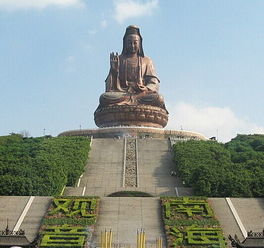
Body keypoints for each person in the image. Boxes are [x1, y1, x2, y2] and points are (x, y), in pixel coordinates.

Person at [99, 25, 167, 112]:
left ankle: (130, 105)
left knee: (158, 98)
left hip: (141, 95)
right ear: (125, 44)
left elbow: (154, 82)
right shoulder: (119, 60)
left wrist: (146, 88)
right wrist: (113, 71)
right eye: (129, 43)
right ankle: (129, 104)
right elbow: (109, 88)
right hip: (123, 94)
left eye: (135, 43)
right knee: (104, 98)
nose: (132, 45)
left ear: (139, 44)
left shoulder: (146, 61)